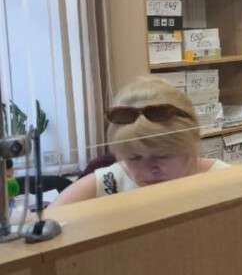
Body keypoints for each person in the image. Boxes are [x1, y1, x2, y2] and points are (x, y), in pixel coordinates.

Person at [53, 77, 229, 206]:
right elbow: (48, 222)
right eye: (134, 158)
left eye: (162, 155)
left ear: (188, 146)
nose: (149, 169)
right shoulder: (109, 182)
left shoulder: (223, 178)